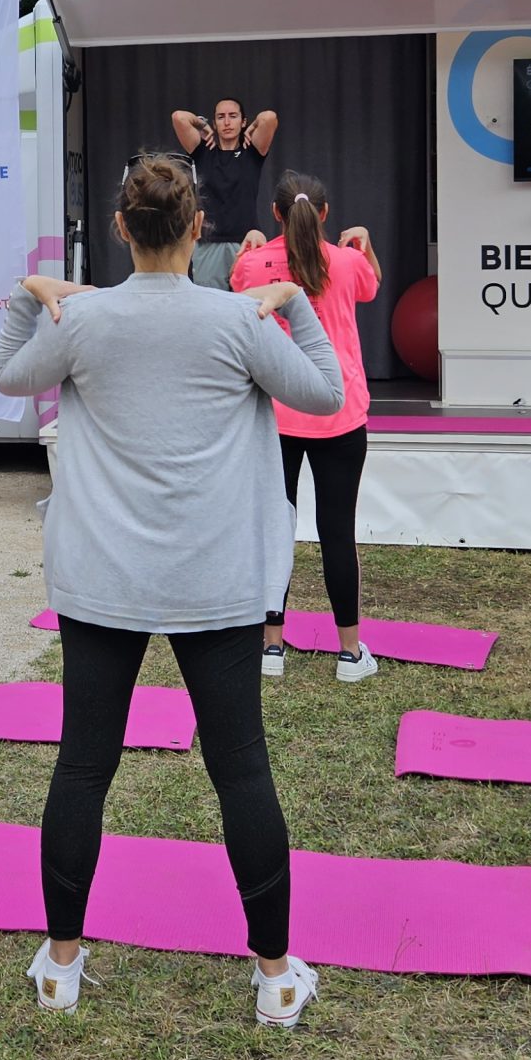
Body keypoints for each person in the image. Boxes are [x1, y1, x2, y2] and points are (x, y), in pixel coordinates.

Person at [0, 155, 343, 1026]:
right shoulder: (236, 319)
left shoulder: (82, 320)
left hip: (103, 579)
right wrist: (294, 304)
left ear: (121, 229)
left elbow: (10, 376)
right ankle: (274, 978)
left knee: (83, 766)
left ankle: (60, 967)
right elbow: (326, 392)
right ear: (198, 230)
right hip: (215, 583)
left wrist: (30, 292)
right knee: (241, 771)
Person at [230, 170, 384, 683]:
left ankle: (271, 648)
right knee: (337, 531)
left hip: (275, 413)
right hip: (337, 410)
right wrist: (366, 244)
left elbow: (238, 292)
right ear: (323, 214)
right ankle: (349, 653)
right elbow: (370, 286)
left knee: (274, 530)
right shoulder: (348, 260)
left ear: (275, 214)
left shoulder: (253, 263)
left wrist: (251, 249)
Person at [171, 98, 277, 292]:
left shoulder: (251, 151)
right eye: (221, 117)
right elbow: (178, 117)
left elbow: (269, 118)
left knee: (250, 308)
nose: (227, 122)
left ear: (242, 121)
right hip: (209, 245)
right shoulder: (203, 151)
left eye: (233, 116)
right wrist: (201, 125)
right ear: (215, 123)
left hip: (247, 242)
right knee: (211, 312)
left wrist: (254, 126)